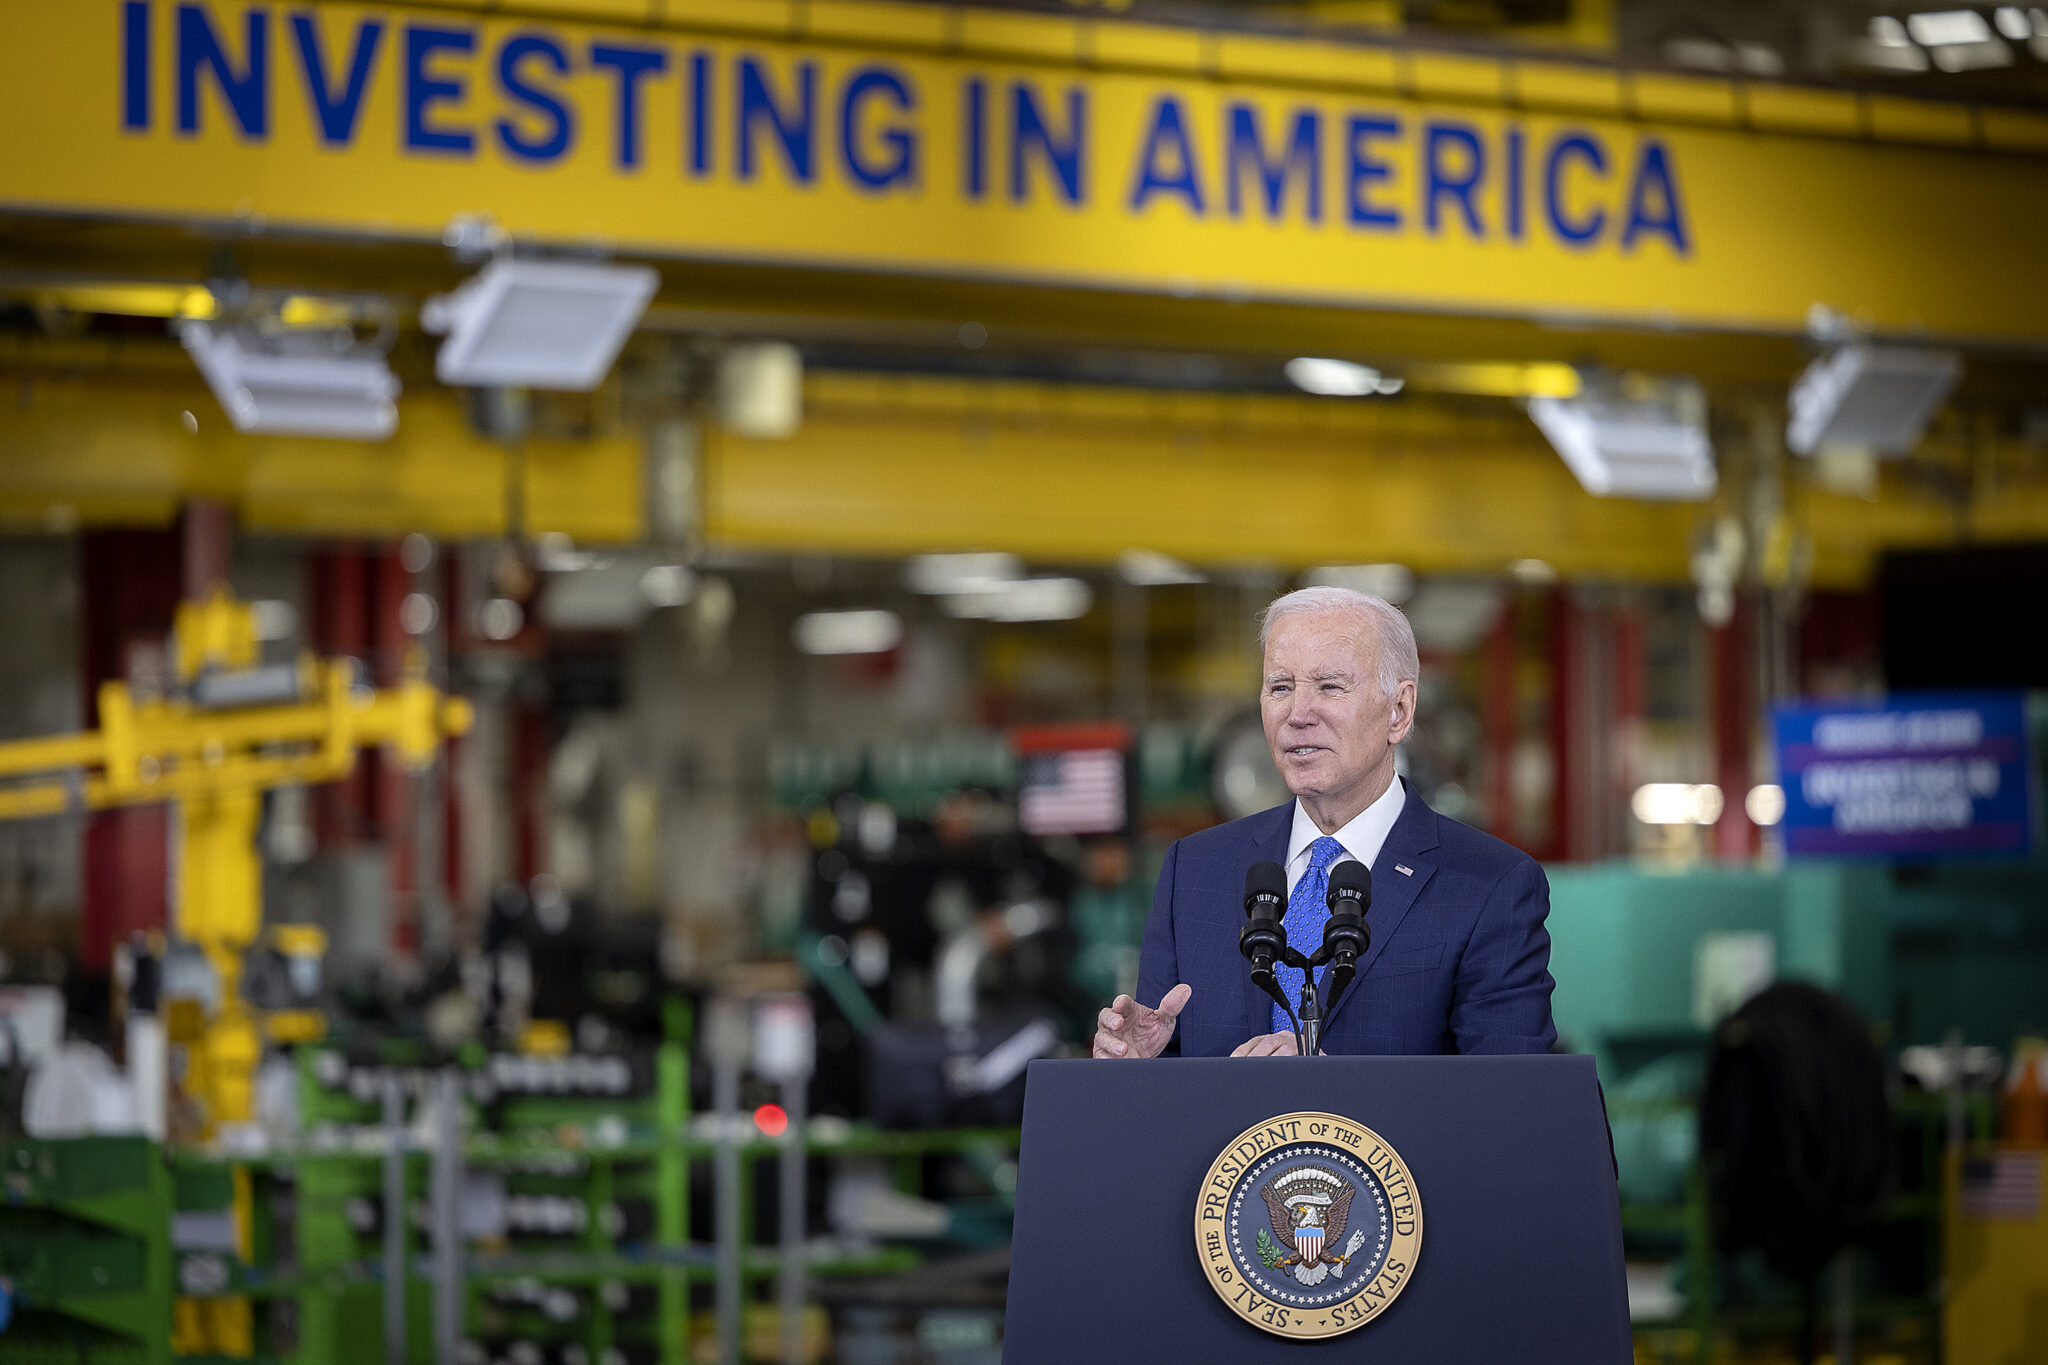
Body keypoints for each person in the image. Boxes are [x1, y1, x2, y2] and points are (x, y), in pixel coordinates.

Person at [1094, 586, 1557, 1059]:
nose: (1297, 715)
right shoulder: (1193, 870)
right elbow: (1161, 1093)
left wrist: (1322, 1083)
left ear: (1399, 711)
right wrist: (1134, 1071)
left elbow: (1509, 1103)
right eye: (1280, 687)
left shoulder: (1491, 884)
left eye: (1330, 686)